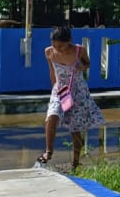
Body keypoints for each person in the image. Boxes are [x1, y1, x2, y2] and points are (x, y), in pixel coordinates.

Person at [37, 25, 105, 171]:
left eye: (61, 46)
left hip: (78, 92)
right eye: (55, 45)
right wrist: (55, 90)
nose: (58, 49)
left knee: (75, 127)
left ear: (69, 41)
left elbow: (88, 64)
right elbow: (52, 73)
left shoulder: (79, 50)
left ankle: (75, 162)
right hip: (61, 91)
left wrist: (81, 66)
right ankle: (48, 152)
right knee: (52, 116)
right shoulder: (49, 52)